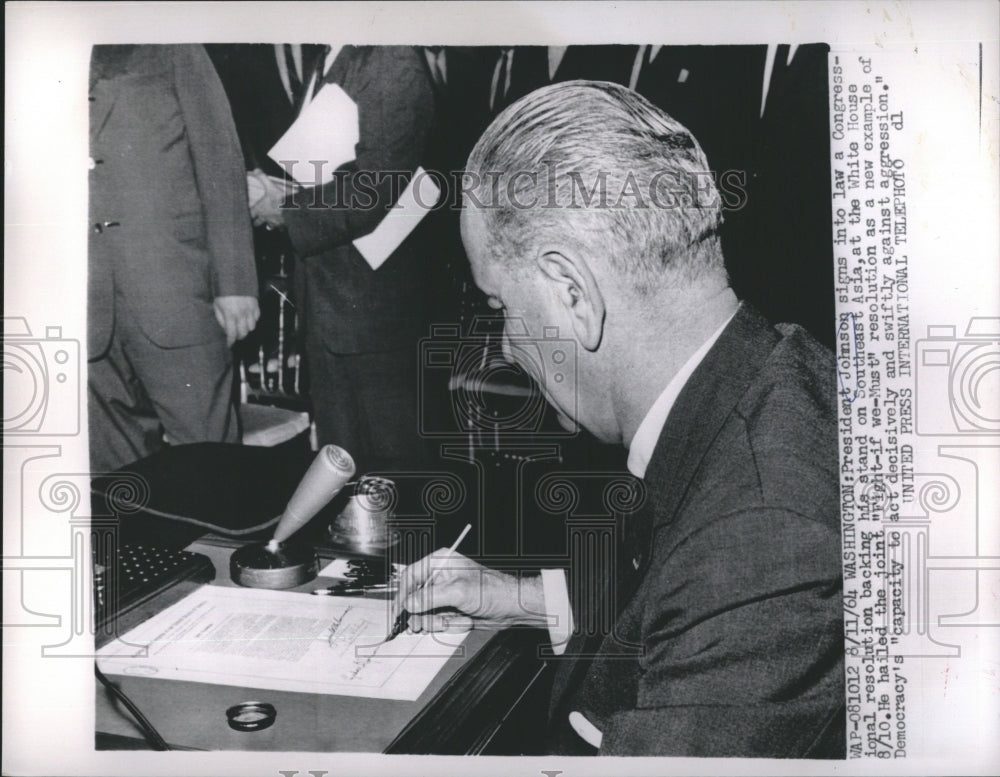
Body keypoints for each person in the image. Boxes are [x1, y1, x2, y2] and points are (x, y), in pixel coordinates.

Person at [396, 80, 845, 757]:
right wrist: (523, 597)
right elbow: (677, 582)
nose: (509, 346)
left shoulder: (763, 539)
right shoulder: (760, 371)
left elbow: (718, 574)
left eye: (499, 309)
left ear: (573, 292)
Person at [250, 45, 435, 472]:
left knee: (390, 474)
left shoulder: (390, 58)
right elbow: (332, 173)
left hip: (371, 308)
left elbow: (372, 190)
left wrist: (281, 209)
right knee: (345, 466)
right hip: (333, 298)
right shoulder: (333, 55)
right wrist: (279, 191)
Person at [88, 44, 259, 473]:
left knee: (209, 466)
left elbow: (220, 160)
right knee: (111, 475)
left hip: (174, 289)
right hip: (84, 301)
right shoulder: (42, 51)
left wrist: (235, 282)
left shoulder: (171, 43)